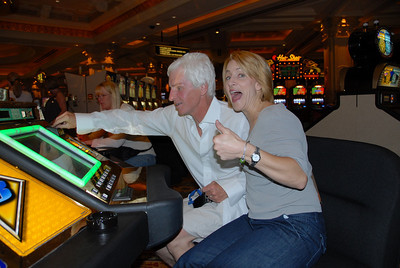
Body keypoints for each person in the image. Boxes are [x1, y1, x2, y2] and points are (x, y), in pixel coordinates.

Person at [52, 52, 249, 266]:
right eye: (170, 88)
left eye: (179, 88)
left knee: (174, 238)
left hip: (239, 202)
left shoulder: (237, 117)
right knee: (154, 228)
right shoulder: (175, 117)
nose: (171, 96)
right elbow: (131, 119)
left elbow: (265, 167)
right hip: (204, 199)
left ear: (202, 87)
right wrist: (79, 118)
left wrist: (229, 187)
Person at [175, 51, 326, 267]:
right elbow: (304, 167)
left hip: (294, 226)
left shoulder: (277, 116)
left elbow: (298, 177)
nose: (231, 82)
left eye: (241, 75)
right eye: (227, 77)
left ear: (259, 84)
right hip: (257, 220)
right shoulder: (252, 123)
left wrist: (244, 151)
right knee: (189, 262)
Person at [77, 80, 156, 167]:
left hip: (143, 155)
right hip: (127, 154)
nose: (99, 100)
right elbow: (100, 130)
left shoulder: (125, 110)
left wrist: (90, 141)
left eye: (103, 95)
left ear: (113, 95)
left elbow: (117, 141)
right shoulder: (109, 112)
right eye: (98, 97)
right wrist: (83, 139)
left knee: (119, 175)